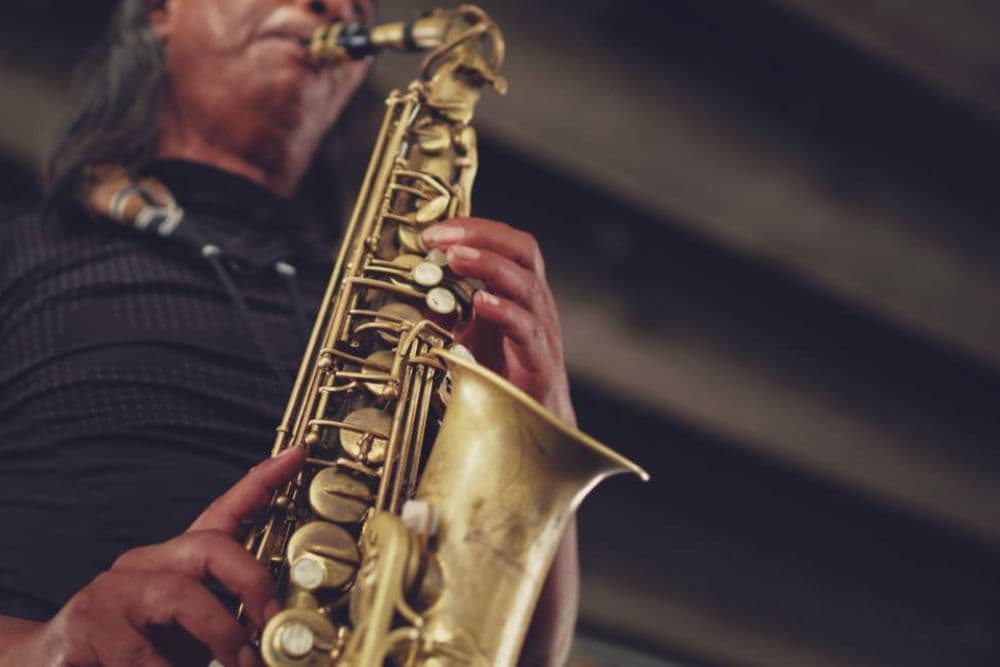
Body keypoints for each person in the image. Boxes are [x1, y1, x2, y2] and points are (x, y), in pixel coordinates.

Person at [0, 1, 578, 665]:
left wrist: (540, 412)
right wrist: (45, 649)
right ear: (162, 11)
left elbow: (515, 651)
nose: (332, 6)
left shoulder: (406, 320)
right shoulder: (19, 247)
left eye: (358, 4)